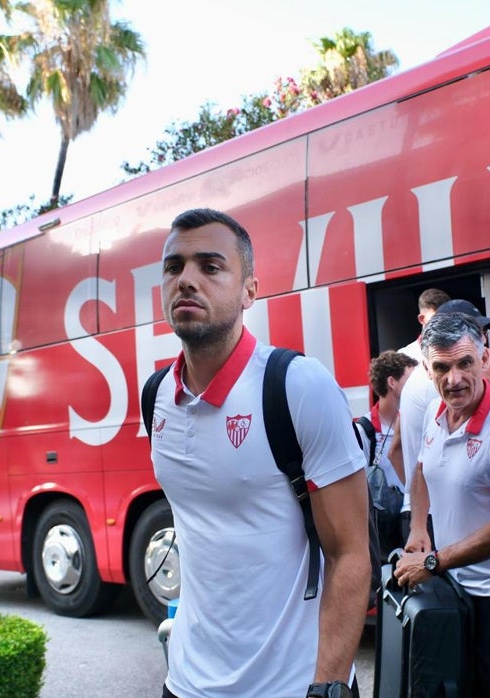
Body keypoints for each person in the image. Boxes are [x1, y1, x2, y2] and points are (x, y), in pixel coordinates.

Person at [148, 208, 370, 698]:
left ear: (250, 290)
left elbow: (350, 554)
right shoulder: (156, 397)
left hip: (293, 686)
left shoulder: (298, 386)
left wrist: (328, 686)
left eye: (210, 266)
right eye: (174, 267)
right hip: (186, 683)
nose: (186, 280)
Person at [394, 311, 490, 697]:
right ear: (427, 370)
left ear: (484, 359)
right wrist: (418, 528)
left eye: (464, 363)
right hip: (456, 589)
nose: (454, 379)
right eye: (442, 368)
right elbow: (422, 469)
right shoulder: (435, 412)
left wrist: (432, 562)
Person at [394, 298, 490, 543]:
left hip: (425, 511)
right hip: (435, 513)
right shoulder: (445, 387)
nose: (483, 339)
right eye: (477, 331)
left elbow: (398, 450)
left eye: (482, 333)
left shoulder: (425, 377)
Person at [363, 350, 418, 489]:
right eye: (411, 380)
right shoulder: (364, 430)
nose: (416, 386)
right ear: (392, 382)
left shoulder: (414, 421)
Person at [398, 288, 450, 361]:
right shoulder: (405, 356)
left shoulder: (462, 350)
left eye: (445, 318)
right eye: (435, 318)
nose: (441, 323)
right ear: (421, 319)